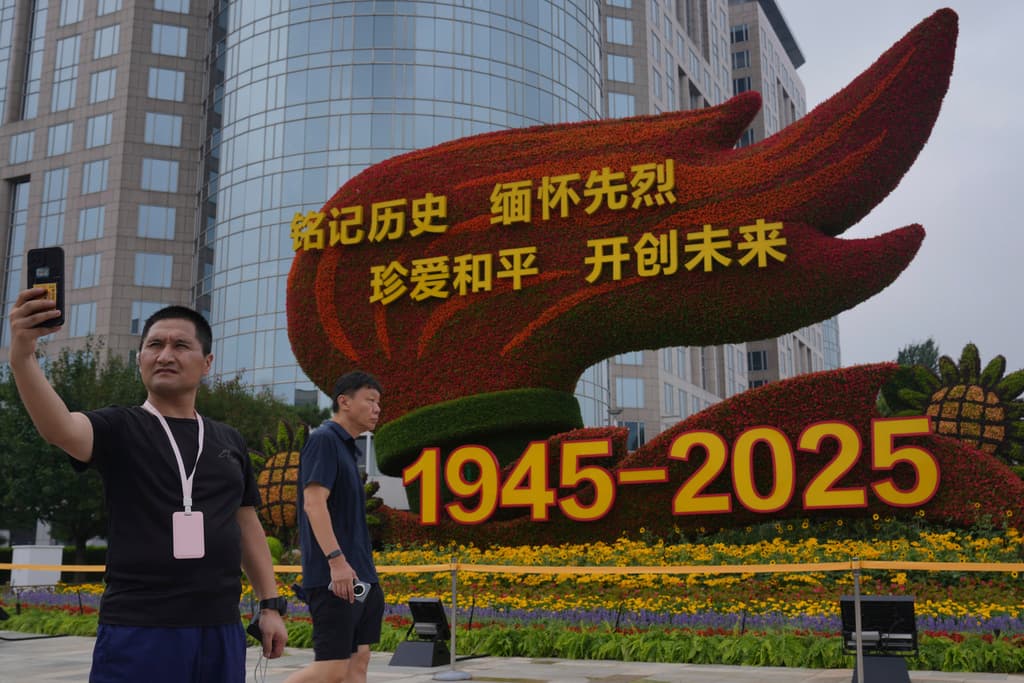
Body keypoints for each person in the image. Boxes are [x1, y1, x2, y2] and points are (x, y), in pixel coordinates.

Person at [7, 288, 287, 683]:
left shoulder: (228, 440)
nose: (165, 354)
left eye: (180, 345)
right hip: (140, 629)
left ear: (206, 363)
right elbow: (60, 428)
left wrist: (270, 603)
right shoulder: (119, 426)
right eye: (154, 344)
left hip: (220, 628)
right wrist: (22, 357)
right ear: (140, 358)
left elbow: (247, 526)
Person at [285, 371, 385, 683]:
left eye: (378, 402)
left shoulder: (347, 449)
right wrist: (336, 561)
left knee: (359, 661)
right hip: (335, 577)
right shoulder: (324, 441)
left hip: (361, 575)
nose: (377, 408)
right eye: (370, 400)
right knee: (332, 667)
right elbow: (313, 503)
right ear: (344, 401)